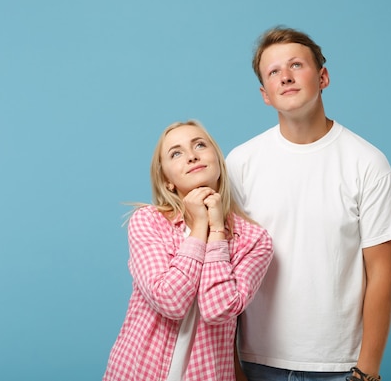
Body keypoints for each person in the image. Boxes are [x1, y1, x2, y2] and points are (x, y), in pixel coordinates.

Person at [226, 27, 391, 381]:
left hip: (339, 367)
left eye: (296, 65)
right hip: (256, 360)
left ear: (323, 76)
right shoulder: (240, 163)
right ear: (265, 93)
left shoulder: (367, 163)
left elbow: (381, 274)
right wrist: (231, 364)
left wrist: (366, 372)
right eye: (273, 71)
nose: (286, 77)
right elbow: (224, 267)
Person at [103, 120, 273, 381]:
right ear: (167, 180)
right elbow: (170, 300)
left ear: (217, 161)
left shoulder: (253, 239)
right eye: (176, 153)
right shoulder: (148, 221)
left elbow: (218, 309)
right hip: (136, 371)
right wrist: (199, 227)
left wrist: (217, 230)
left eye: (200, 145)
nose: (192, 155)